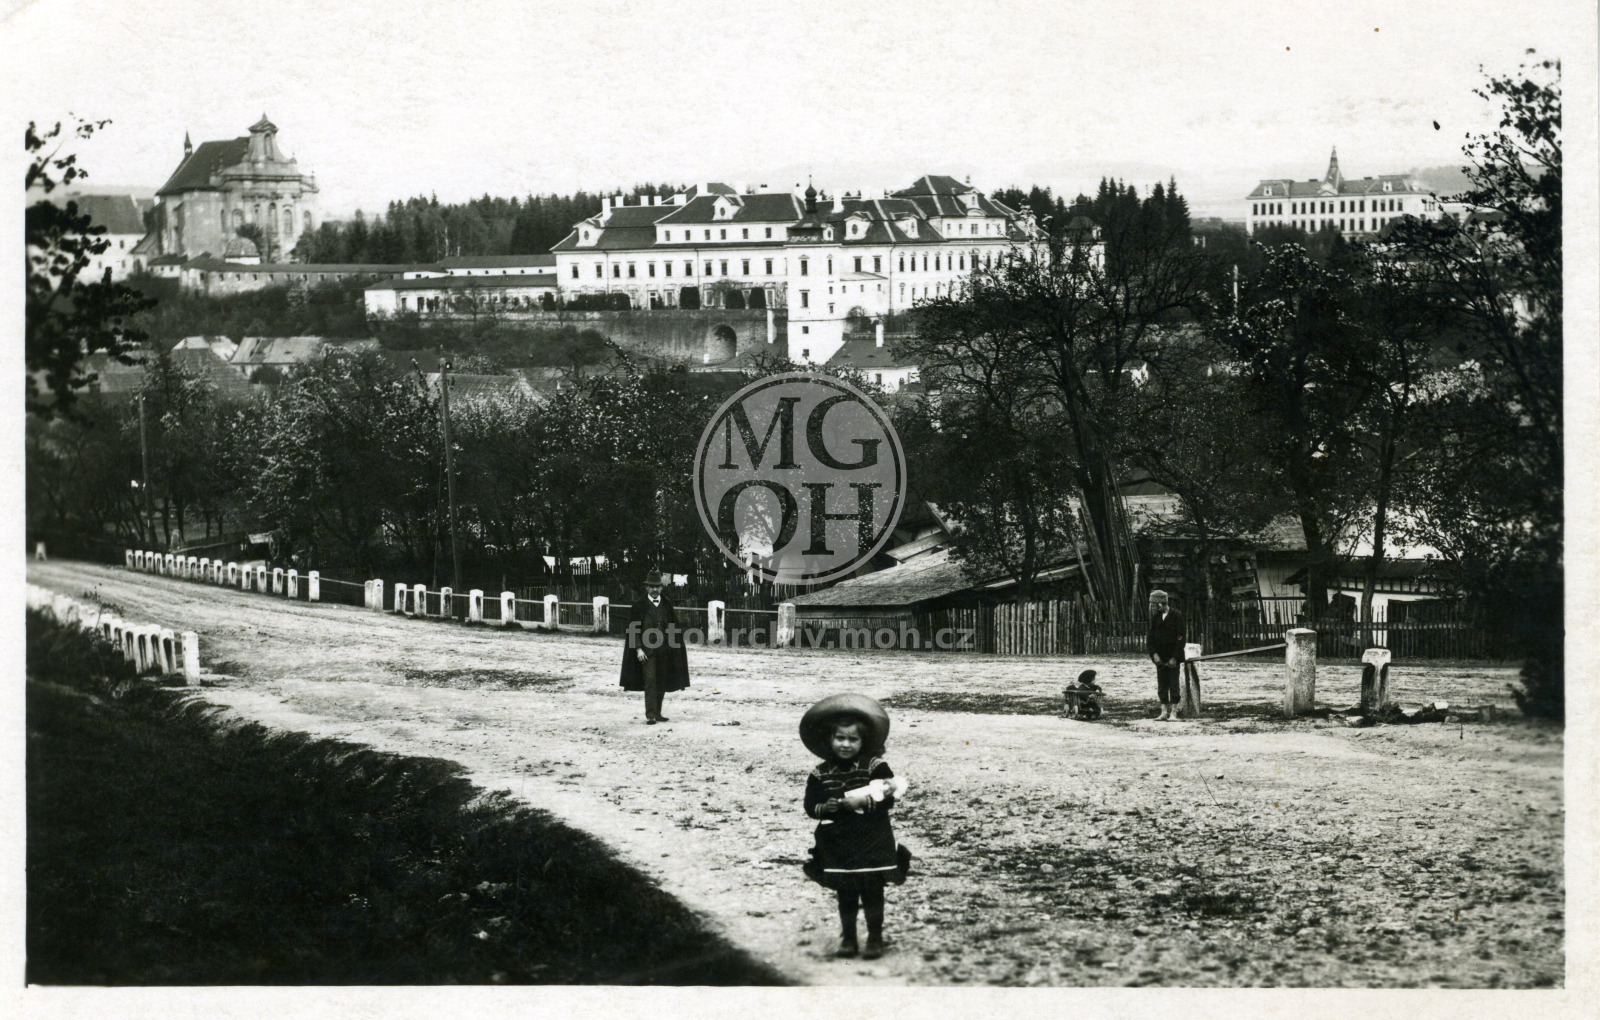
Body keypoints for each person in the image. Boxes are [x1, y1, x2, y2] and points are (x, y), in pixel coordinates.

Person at [799, 693, 912, 960]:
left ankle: (875, 938)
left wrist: (865, 800)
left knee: (872, 890)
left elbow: (890, 796)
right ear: (829, 739)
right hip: (838, 840)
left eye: (853, 739)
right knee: (846, 891)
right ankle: (848, 938)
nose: (846, 744)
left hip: (872, 837)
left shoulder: (875, 767)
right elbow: (810, 805)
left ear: (864, 741)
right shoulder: (819, 773)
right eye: (840, 738)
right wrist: (825, 807)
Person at [618, 570, 690, 723]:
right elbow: (633, 628)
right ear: (647, 587)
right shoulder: (639, 605)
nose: (655, 589)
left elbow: (672, 627)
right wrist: (638, 649)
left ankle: (658, 713)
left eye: (657, 586)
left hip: (664, 650)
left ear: (662, 587)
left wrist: (673, 649)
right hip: (646, 651)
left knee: (662, 680)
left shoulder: (667, 605)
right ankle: (650, 715)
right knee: (650, 680)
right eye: (652, 586)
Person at [1146, 589, 1186, 721]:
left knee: (1174, 685)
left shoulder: (1177, 616)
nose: (1152, 607)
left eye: (1153, 604)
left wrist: (1174, 657)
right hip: (1160, 657)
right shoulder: (1156, 618)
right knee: (1162, 685)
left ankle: (1173, 713)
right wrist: (1154, 654)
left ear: (1160, 603)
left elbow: (1181, 639)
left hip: (1172, 658)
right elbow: (1150, 637)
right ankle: (1163, 712)